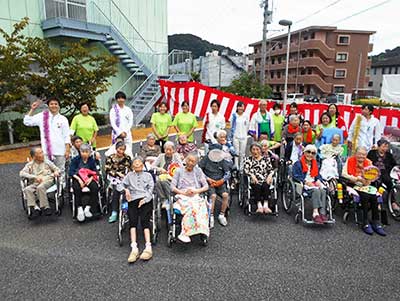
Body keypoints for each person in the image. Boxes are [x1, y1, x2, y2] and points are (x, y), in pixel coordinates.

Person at [23, 97, 70, 186]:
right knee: (46, 171)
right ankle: (49, 190)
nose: (54, 106)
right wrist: (32, 109)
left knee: (60, 170)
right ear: (48, 106)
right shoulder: (42, 116)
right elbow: (27, 122)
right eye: (51, 104)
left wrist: (67, 150)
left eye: (56, 104)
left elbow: (66, 135)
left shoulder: (63, 119)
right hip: (46, 151)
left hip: (60, 150)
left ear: (59, 106)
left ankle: (61, 191)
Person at [342, 146, 386, 236]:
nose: (361, 156)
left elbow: (374, 174)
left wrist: (369, 180)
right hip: (353, 183)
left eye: (363, 154)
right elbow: (343, 174)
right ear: (356, 154)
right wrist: (356, 178)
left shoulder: (369, 162)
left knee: (374, 196)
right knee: (365, 196)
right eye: (359, 154)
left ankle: (376, 221)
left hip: (366, 184)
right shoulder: (350, 160)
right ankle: (365, 221)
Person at [119, 157, 154, 263]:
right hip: (132, 199)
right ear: (132, 166)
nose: (137, 166)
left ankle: (148, 247)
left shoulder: (148, 175)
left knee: (145, 220)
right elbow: (119, 185)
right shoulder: (129, 175)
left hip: (145, 199)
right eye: (135, 164)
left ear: (142, 165)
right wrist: (125, 190)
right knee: (132, 221)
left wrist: (146, 199)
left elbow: (151, 189)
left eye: (139, 164)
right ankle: (134, 248)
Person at [171, 153, 210, 243]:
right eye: (189, 160)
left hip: (195, 194)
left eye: (193, 161)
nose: (190, 163)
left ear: (196, 163)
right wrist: (183, 192)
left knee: (200, 207)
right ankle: (185, 232)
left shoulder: (198, 171)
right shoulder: (178, 171)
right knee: (190, 208)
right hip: (182, 195)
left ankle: (200, 230)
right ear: (185, 160)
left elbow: (206, 186)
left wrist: (196, 191)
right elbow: (172, 187)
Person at [292, 144, 329, 224]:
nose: (310, 154)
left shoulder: (315, 164)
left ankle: (322, 213)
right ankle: (315, 213)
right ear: (304, 152)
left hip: (313, 183)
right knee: (316, 191)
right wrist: (305, 181)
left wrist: (318, 180)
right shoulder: (298, 164)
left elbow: (318, 175)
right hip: (304, 185)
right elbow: (295, 175)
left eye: (313, 153)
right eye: (308, 152)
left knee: (323, 191)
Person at [20, 147, 60, 217]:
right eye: (40, 153)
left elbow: (57, 169)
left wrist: (56, 172)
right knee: (27, 189)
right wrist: (34, 177)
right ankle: (35, 208)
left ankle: (46, 207)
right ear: (34, 157)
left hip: (47, 180)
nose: (42, 155)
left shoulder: (47, 162)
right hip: (35, 182)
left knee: (40, 187)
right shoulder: (30, 165)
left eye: (42, 152)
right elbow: (21, 173)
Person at [199, 144, 231, 228]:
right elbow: (199, 170)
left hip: (220, 181)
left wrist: (222, 180)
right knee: (212, 196)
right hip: (209, 182)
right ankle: (211, 215)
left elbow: (228, 173)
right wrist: (207, 179)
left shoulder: (223, 160)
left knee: (225, 195)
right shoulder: (205, 159)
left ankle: (222, 215)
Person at [69, 143, 100, 222]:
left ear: (89, 153)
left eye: (86, 152)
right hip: (77, 177)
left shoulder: (91, 160)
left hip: (88, 177)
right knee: (76, 188)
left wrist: (91, 179)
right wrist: (79, 180)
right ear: (80, 151)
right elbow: (71, 172)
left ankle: (88, 208)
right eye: (83, 152)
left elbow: (95, 171)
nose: (84, 154)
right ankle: (79, 209)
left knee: (95, 187)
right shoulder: (75, 159)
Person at [367, 139, 399, 211]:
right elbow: (367, 162)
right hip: (374, 172)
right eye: (383, 146)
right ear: (378, 146)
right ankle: (377, 202)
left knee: (390, 184)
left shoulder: (389, 155)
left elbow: (394, 164)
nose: (385, 149)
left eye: (386, 147)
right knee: (377, 184)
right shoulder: (372, 153)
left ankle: (393, 202)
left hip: (385, 173)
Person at [104, 141, 132, 223]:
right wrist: (117, 173)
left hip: (124, 177)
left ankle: (125, 207)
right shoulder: (110, 158)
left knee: (126, 189)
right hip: (113, 177)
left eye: (123, 149)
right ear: (116, 149)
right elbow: (107, 169)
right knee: (116, 190)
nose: (121, 151)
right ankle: (114, 211)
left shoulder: (127, 158)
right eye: (120, 149)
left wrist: (125, 175)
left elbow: (130, 169)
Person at [243, 143, 275, 214]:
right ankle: (259, 206)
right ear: (250, 151)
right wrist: (252, 175)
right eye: (253, 149)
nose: (255, 151)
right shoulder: (248, 159)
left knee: (266, 185)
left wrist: (270, 175)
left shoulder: (266, 159)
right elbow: (246, 170)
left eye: (257, 149)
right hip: (254, 180)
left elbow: (271, 170)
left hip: (265, 179)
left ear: (260, 150)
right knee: (257, 186)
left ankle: (266, 206)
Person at [152, 141, 183, 207]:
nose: (168, 151)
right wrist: (160, 169)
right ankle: (164, 199)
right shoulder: (161, 156)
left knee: (163, 181)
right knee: (158, 181)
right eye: (166, 150)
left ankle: (169, 198)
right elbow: (152, 166)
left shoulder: (176, 156)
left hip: (173, 177)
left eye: (170, 150)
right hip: (162, 176)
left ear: (173, 150)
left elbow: (181, 167)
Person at [229, 101, 250, 169]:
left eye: (242, 106)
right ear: (237, 107)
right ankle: (236, 166)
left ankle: (241, 166)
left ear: (244, 108)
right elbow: (231, 126)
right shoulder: (234, 115)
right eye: (239, 106)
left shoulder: (246, 116)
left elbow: (247, 126)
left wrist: (244, 134)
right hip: (236, 136)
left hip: (243, 137)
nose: (240, 108)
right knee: (236, 152)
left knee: (242, 153)